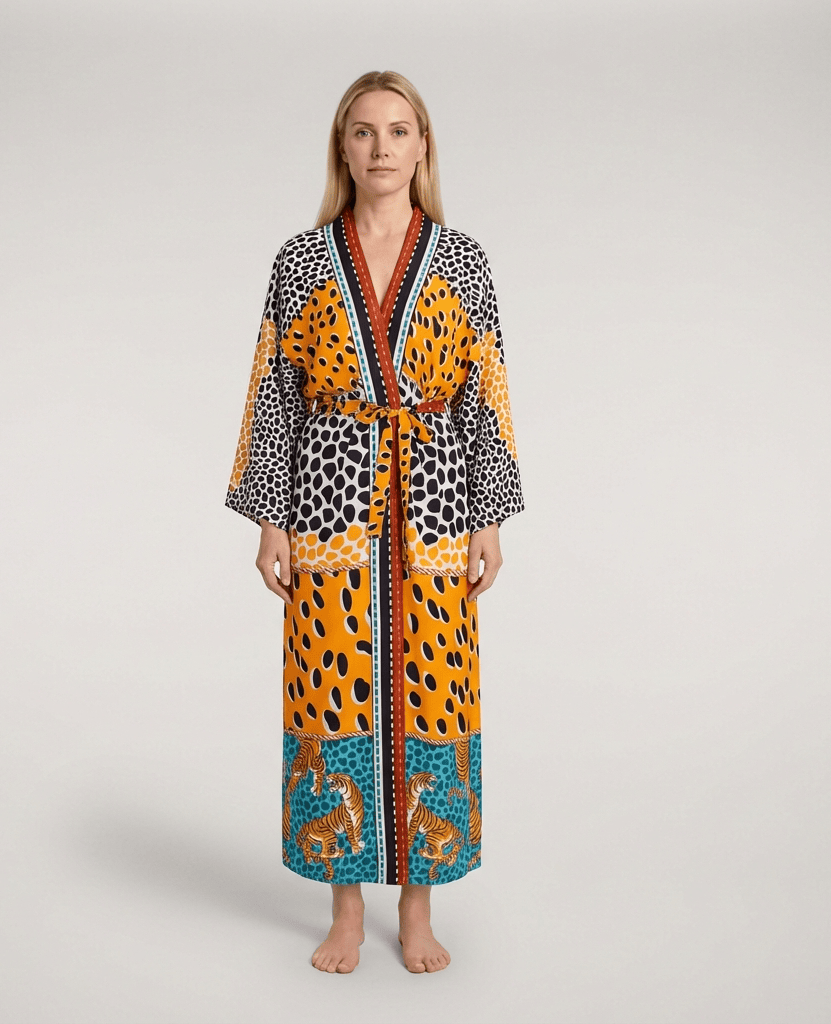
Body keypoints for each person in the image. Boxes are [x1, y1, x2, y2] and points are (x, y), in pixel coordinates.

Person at [225, 70, 525, 974]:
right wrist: (270, 520)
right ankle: (347, 908)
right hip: (327, 496)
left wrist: (488, 518)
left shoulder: (462, 259)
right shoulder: (302, 261)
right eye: (364, 131)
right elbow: (274, 391)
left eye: (399, 130)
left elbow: (485, 390)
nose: (382, 147)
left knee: (436, 694)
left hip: (435, 496)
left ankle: (419, 907)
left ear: (423, 146)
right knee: (333, 693)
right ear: (343, 148)